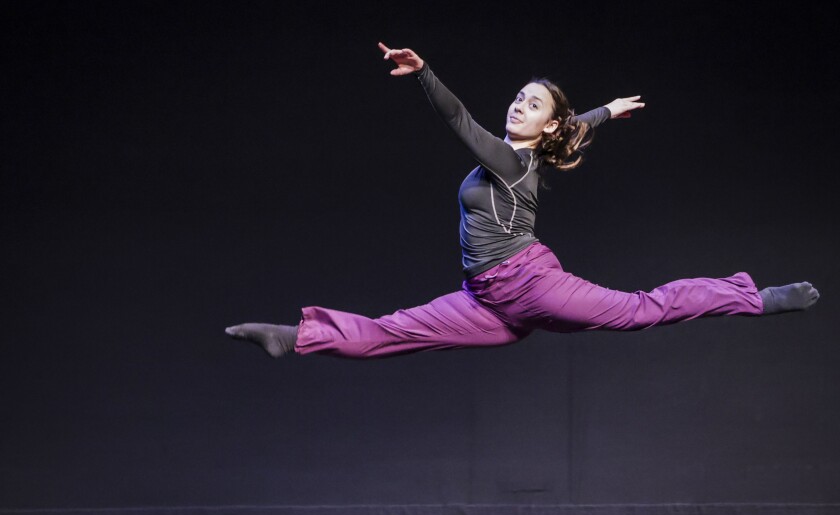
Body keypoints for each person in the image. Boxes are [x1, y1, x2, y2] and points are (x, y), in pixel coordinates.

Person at [225, 42, 819, 359]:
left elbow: (460, 120)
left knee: (644, 308)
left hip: (530, 284)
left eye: (532, 104)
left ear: (547, 125)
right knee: (392, 331)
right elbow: (572, 123)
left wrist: (426, 71)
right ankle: (296, 337)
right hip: (486, 301)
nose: (518, 105)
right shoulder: (524, 153)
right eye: (518, 96)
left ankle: (755, 298)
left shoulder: (508, 159)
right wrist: (607, 111)